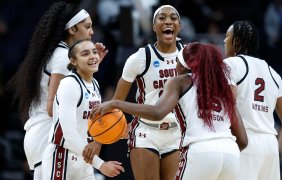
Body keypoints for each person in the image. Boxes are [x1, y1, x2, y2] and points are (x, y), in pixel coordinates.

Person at [89, 42, 248, 180]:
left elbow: (157, 112)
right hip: (230, 153)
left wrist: (116, 103)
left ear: (183, 65)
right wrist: (222, 151)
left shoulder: (180, 81)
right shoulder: (222, 88)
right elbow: (243, 140)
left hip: (199, 149)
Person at [7, 2, 107, 179]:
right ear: (72, 30)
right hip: (49, 137)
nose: (92, 32)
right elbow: (52, 106)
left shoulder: (64, 54)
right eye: (87, 27)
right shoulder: (62, 57)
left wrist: (90, 66)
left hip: (51, 137)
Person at [83, 5, 184, 180]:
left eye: (173, 18)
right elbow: (117, 100)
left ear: (179, 25)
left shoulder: (188, 55)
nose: (168, 21)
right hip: (146, 132)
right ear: (154, 26)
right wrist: (99, 139)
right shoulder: (140, 57)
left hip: (177, 133)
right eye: (162, 18)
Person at [223, 20, 282, 180]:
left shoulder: (229, 65)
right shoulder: (273, 73)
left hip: (243, 142)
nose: (224, 40)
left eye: (227, 36)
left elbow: (228, 105)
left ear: (237, 41)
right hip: (270, 146)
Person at [41, 39, 125, 179]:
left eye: (94, 52)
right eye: (85, 54)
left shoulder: (94, 84)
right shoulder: (69, 84)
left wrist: (121, 131)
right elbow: (69, 134)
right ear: (73, 61)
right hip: (62, 158)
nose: (93, 56)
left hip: (84, 158)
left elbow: (92, 126)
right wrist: (101, 165)